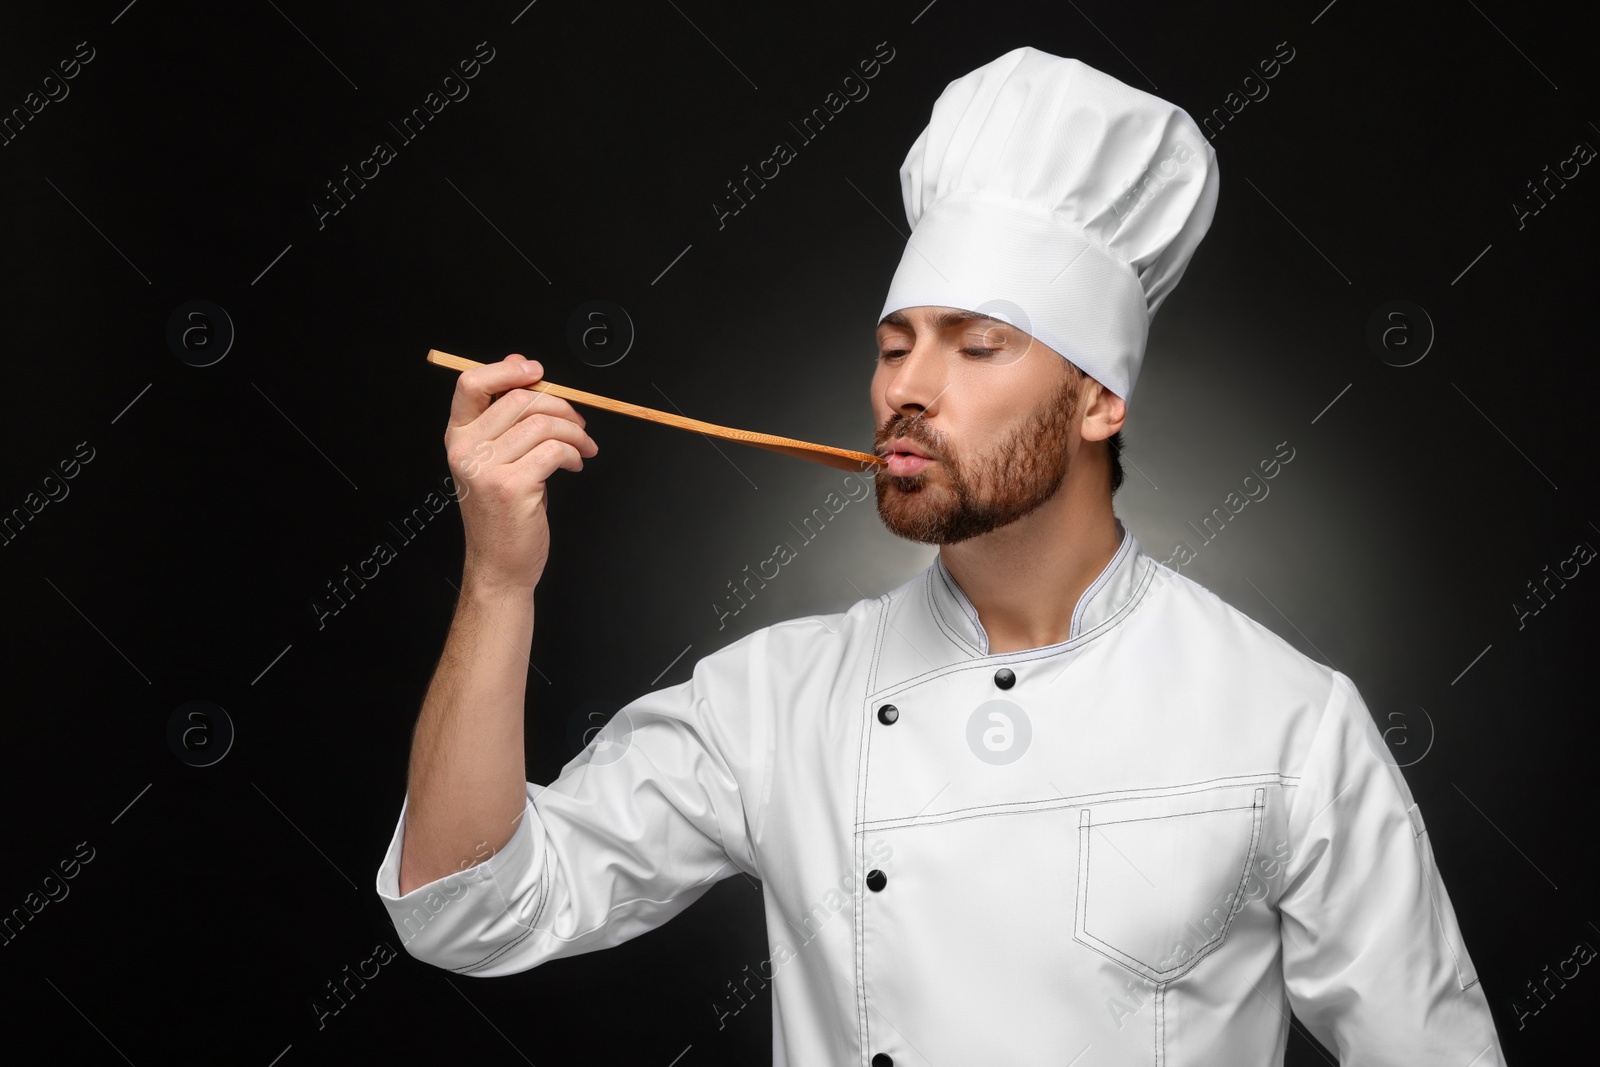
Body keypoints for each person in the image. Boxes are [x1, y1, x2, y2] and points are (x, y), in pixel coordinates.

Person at [376, 47, 1504, 1065]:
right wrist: (497, 578)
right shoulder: (774, 702)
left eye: (977, 344)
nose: (908, 387)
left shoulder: (1286, 723)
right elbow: (471, 908)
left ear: (1100, 396)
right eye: (893, 344)